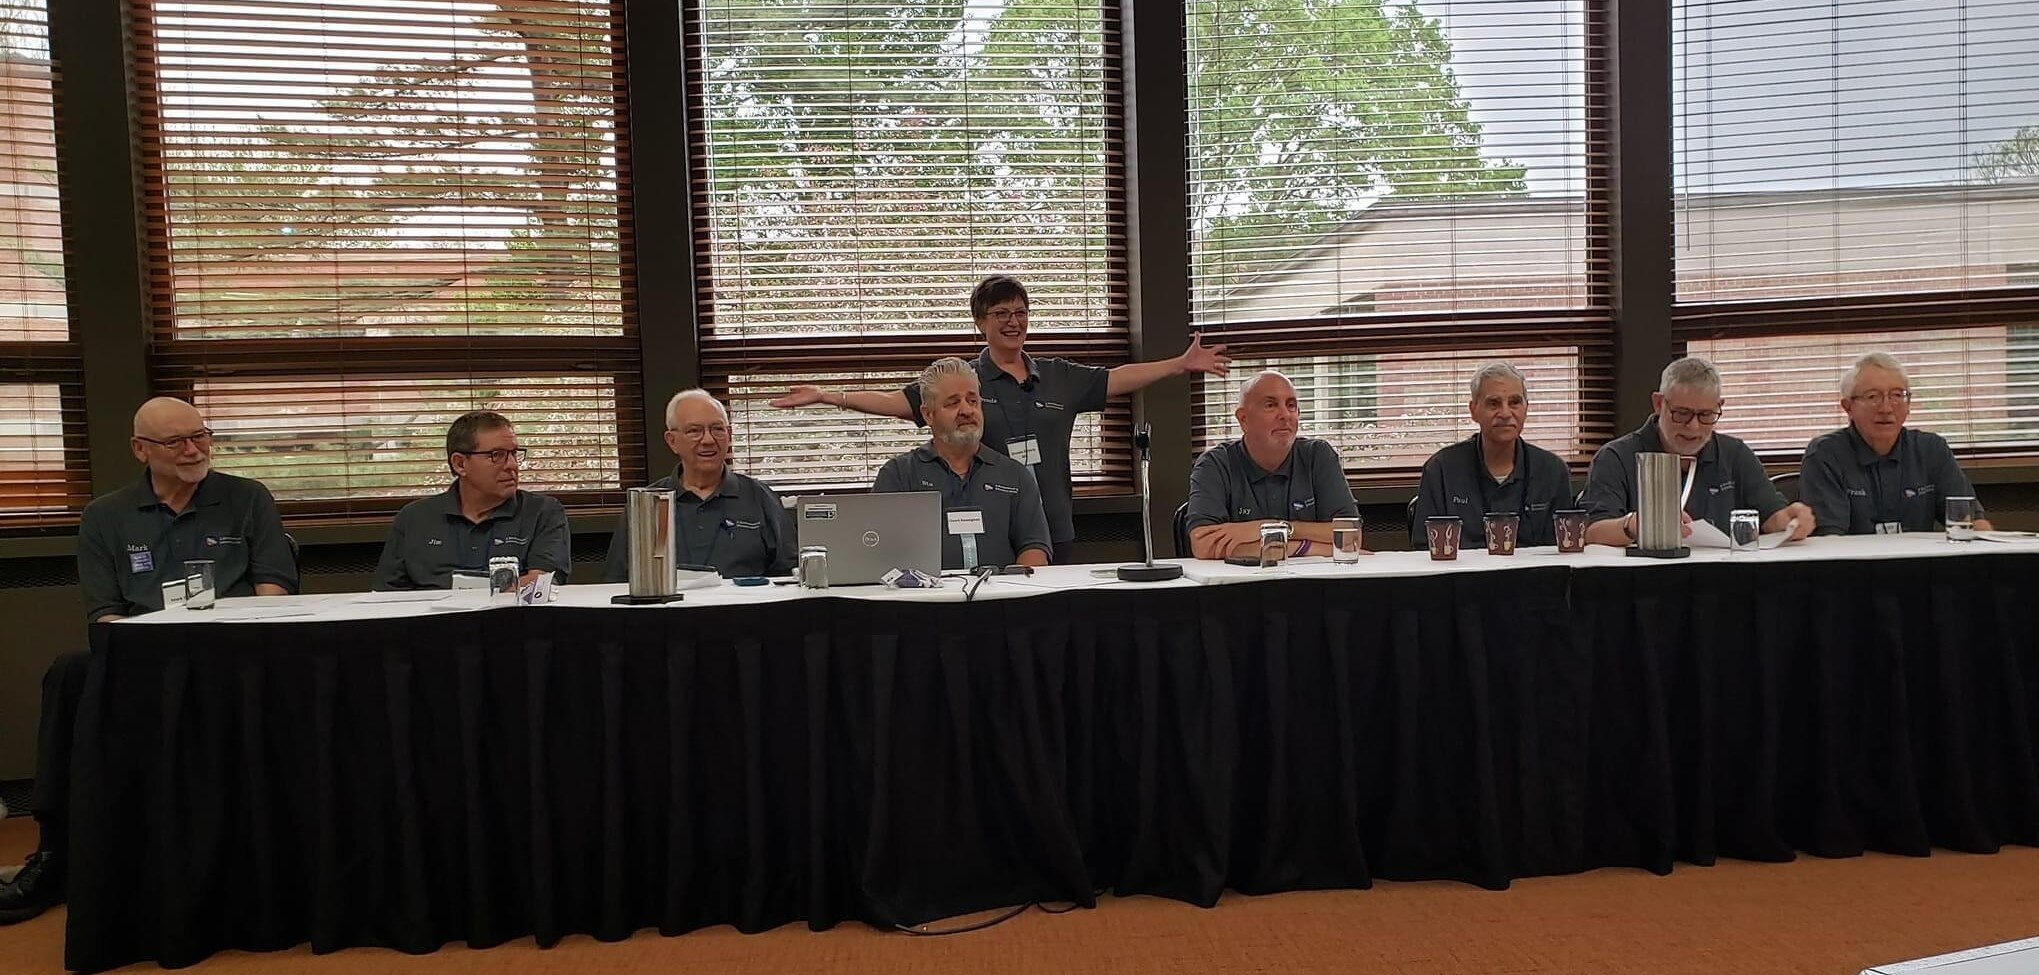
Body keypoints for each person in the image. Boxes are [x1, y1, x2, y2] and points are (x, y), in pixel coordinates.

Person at [0, 397, 299, 926]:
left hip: (233, 655)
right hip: (145, 660)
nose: (193, 450)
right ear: (140, 450)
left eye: (200, 436)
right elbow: (105, 614)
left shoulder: (247, 498)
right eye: (175, 441)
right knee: (69, 673)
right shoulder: (106, 515)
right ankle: (53, 856)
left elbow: (273, 587)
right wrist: (150, 653)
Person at [770, 274, 1232, 563]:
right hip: (984, 526)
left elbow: (1117, 378)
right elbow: (898, 401)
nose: (1014, 321)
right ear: (980, 322)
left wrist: (1179, 364)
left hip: (1050, 524)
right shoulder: (962, 381)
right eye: (1001, 314)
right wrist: (829, 396)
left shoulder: (1057, 377)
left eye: (1021, 312)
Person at [1581, 356, 1816, 546]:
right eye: (1682, 414)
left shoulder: (1734, 454)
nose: (1693, 427)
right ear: (1658, 403)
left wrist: (1790, 521)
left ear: (1719, 406)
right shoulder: (1616, 457)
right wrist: (1635, 524)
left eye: (1706, 415)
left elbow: (1770, 517)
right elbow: (1592, 532)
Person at [872, 357, 1052, 570]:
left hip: (1000, 598)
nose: (967, 410)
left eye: (973, 400)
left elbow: (1035, 548)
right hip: (926, 599)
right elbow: (880, 553)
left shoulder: (1015, 475)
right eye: (953, 402)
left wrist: (1009, 592)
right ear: (928, 414)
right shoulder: (899, 475)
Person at [603, 390, 794, 580]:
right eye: (694, 431)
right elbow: (617, 581)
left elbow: (788, 575)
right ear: (672, 441)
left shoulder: (759, 496)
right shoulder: (648, 504)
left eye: (717, 429)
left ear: (729, 435)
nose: (708, 440)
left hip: (741, 608)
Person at [1799, 352, 1992, 535]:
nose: (1886, 408)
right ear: (1848, 407)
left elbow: (1971, 522)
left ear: (1909, 404)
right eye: (1873, 397)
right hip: (1853, 567)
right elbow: (1829, 540)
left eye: (1897, 395)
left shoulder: (1931, 449)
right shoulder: (1825, 454)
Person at [373, 411, 570, 590]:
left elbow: (543, 582)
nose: (512, 465)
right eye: (497, 455)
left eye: (514, 454)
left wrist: (472, 596)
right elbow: (388, 593)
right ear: (460, 464)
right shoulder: (414, 519)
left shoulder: (543, 512)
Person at [1184, 370, 1360, 560]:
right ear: (1243, 419)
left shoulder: (1318, 455)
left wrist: (1270, 528)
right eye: (1271, 405)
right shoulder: (1215, 464)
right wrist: (1309, 548)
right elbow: (1204, 546)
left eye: (1291, 406)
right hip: (1240, 586)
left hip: (1312, 585)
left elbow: (1351, 536)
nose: (1285, 414)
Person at [1409, 361, 1574, 548]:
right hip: (1463, 576)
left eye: (1514, 402)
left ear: (1526, 408)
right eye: (1493, 403)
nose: (1505, 413)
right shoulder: (1441, 470)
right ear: (1473, 411)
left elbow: (1563, 550)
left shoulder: (1552, 471)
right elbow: (1424, 549)